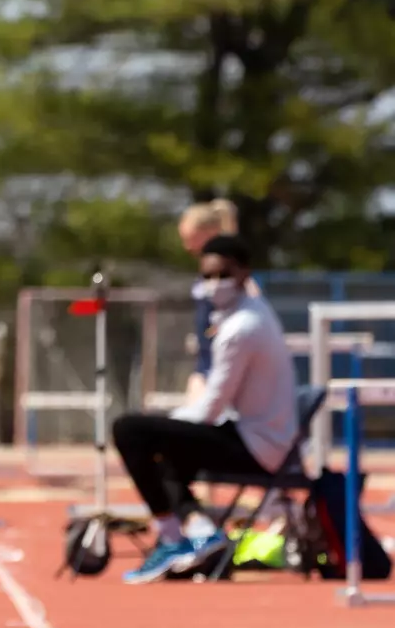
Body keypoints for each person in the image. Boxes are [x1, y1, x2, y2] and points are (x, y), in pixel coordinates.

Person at [111, 234, 297, 583]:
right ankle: (199, 530)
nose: (213, 285)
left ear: (243, 274)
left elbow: (210, 409)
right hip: (258, 435)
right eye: (206, 276)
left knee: (130, 430)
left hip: (260, 447)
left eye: (222, 274)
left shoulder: (242, 327)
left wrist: (165, 423)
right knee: (163, 446)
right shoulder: (250, 313)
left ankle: (172, 538)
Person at [176, 199, 257, 397]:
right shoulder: (206, 273)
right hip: (205, 367)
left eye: (191, 238)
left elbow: (252, 303)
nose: (187, 247)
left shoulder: (233, 276)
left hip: (224, 369)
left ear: (208, 233)